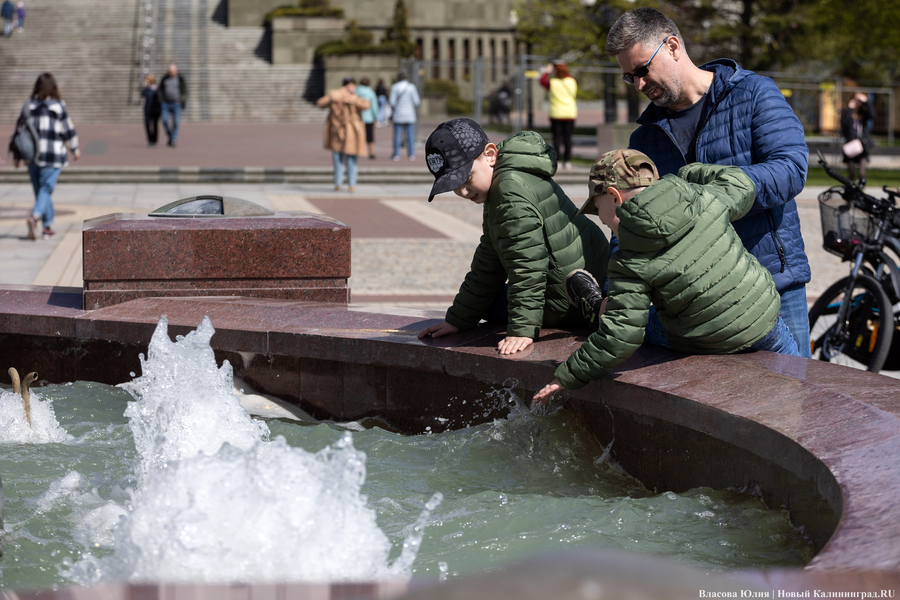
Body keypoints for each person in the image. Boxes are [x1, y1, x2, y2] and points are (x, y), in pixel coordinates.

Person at [605, 7, 812, 358]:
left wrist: (704, 199)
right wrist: (615, 289)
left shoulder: (753, 93)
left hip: (775, 284)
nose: (639, 84)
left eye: (642, 70)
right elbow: (631, 221)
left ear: (672, 46)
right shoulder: (644, 140)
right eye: (629, 77)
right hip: (696, 299)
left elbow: (791, 169)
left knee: (795, 409)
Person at [533, 150, 800, 403]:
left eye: (599, 209)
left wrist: (568, 375)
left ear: (615, 197)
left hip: (703, 337)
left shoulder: (629, 257)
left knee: (644, 321)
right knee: (801, 392)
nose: (603, 219)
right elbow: (741, 183)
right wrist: (687, 174)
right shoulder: (702, 197)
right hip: (764, 320)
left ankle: (596, 308)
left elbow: (622, 336)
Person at [417, 118, 610, 355]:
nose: (463, 192)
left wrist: (522, 330)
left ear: (489, 154)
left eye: (466, 179)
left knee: (489, 304)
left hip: (568, 298)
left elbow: (527, 266)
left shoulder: (508, 193)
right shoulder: (509, 176)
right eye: (453, 186)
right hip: (587, 278)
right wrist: (458, 320)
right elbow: (489, 261)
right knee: (484, 299)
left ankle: (593, 312)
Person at [12, 73, 80, 241]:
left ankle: (47, 227)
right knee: (46, 189)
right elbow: (68, 129)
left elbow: (19, 131)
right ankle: (35, 217)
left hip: (32, 156)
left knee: (41, 191)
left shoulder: (29, 105)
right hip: (53, 155)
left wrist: (16, 155)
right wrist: (75, 148)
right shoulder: (58, 106)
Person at [316, 76, 369, 192]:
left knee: (337, 158)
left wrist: (333, 98)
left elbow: (320, 103)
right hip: (351, 131)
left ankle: (338, 183)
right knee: (351, 158)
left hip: (336, 130)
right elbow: (366, 106)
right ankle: (351, 184)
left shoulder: (334, 95)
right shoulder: (354, 98)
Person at [540, 61, 577, 170]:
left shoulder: (553, 82)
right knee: (568, 138)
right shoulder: (572, 81)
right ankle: (568, 160)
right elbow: (568, 75)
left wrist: (548, 71)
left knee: (557, 137)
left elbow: (542, 81)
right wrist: (563, 66)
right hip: (570, 113)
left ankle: (558, 160)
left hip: (556, 113)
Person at [840, 92, 874, 186]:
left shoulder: (863, 113)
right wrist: (850, 109)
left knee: (862, 172)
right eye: (856, 100)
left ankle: (861, 190)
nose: (857, 102)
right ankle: (851, 190)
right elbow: (844, 124)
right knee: (851, 172)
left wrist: (866, 101)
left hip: (863, 146)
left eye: (859, 101)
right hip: (851, 145)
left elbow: (872, 114)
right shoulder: (847, 113)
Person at [389, 70, 420, 161]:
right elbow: (416, 101)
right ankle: (411, 154)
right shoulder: (411, 87)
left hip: (398, 114)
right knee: (410, 135)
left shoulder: (395, 87)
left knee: (397, 135)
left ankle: (396, 154)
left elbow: (392, 102)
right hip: (409, 115)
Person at [157, 63, 187, 147]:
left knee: (176, 122)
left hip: (176, 103)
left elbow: (185, 91)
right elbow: (160, 90)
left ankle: (173, 139)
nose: (171, 73)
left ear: (176, 71)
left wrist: (181, 100)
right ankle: (171, 136)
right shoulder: (164, 78)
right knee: (165, 120)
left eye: (173, 71)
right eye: (169, 71)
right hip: (166, 103)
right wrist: (161, 100)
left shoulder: (180, 79)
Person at [355, 77, 379, 159]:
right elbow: (374, 107)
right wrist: (376, 117)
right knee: (370, 136)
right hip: (369, 118)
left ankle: (357, 151)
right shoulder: (370, 93)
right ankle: (371, 153)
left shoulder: (356, 92)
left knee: (358, 135)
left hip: (358, 117)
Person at [141, 74, 161, 147]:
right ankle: (149, 139)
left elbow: (160, 97)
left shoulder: (157, 89)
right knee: (147, 124)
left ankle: (154, 140)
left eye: (147, 81)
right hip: (147, 110)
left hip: (155, 110)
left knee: (155, 125)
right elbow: (143, 94)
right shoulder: (147, 89)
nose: (146, 82)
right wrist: (146, 87)